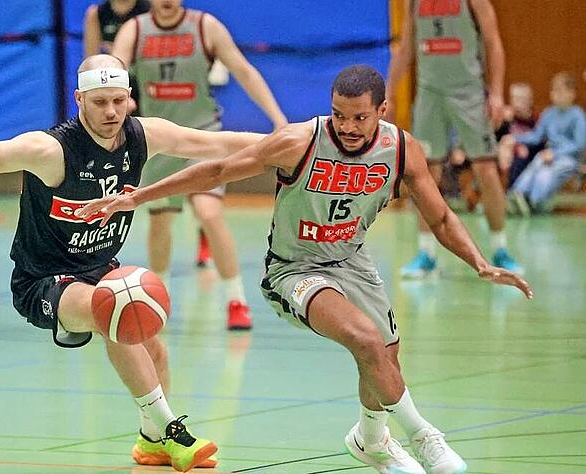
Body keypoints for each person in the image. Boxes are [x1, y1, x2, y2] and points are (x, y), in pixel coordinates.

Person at [78, 65, 533, 474]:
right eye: (340, 115)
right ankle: (423, 435)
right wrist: (137, 196)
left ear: (382, 111)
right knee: (365, 339)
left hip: (352, 259)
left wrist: (478, 262)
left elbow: (440, 217)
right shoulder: (299, 142)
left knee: (383, 356)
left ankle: (371, 441)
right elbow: (217, 169)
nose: (349, 127)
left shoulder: (400, 150)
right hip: (294, 269)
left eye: (360, 118)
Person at [0, 54, 268, 472]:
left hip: (100, 268)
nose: (111, 111)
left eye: (118, 101)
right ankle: (171, 429)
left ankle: (152, 441)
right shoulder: (49, 150)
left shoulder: (144, 136)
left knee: (149, 339)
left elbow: (219, 143)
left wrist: (296, 143)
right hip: (42, 281)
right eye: (99, 102)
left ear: (129, 98)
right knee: (117, 306)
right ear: (78, 100)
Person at [112, 0, 288, 330]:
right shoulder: (134, 30)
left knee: (209, 212)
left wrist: (278, 119)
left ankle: (236, 300)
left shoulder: (205, 26)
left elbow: (244, 71)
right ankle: (157, 299)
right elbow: (114, 67)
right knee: (161, 221)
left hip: (202, 135)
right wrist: (122, 94)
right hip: (157, 140)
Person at [386, 0, 523, 278]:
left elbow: (493, 41)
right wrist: (389, 92)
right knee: (423, 174)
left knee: (486, 168)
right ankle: (426, 254)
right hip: (429, 94)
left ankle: (500, 249)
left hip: (469, 93)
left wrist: (496, 93)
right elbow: (406, 47)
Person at [504, 72, 586, 215]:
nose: (556, 95)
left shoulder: (577, 115)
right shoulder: (549, 113)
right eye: (554, 91)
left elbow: (579, 144)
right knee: (534, 166)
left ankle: (534, 203)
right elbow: (536, 136)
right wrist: (515, 138)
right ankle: (515, 196)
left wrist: (554, 154)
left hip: (568, 159)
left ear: (571, 93)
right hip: (547, 156)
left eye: (561, 91)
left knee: (545, 174)